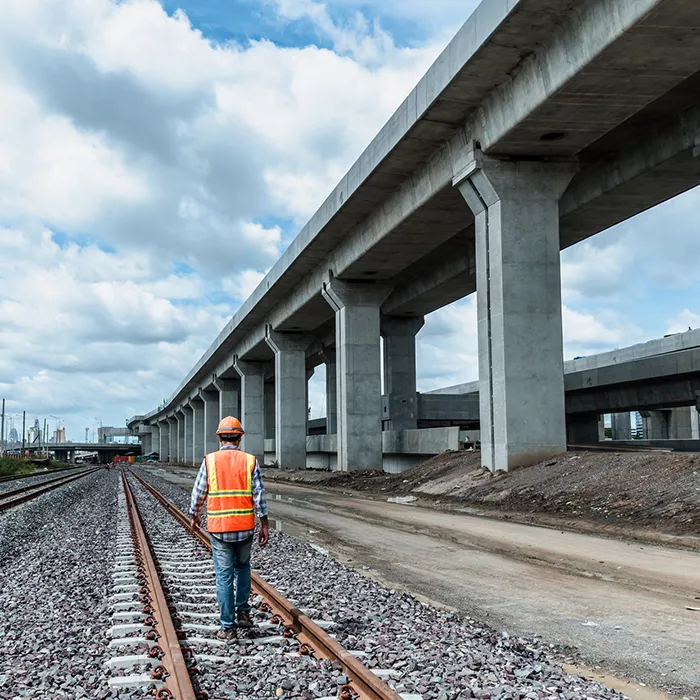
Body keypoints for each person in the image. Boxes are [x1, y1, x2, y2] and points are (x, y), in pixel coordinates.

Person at [189, 416, 270, 641]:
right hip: (245, 527)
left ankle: (228, 627)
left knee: (224, 576)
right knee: (243, 567)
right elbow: (259, 495)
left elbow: (198, 493)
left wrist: (194, 516)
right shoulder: (250, 461)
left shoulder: (210, 461)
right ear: (240, 437)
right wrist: (264, 524)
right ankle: (243, 612)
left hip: (220, 527)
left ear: (220, 437)